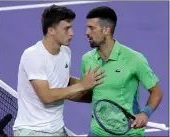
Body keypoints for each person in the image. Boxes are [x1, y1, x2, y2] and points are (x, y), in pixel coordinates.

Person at [13, 4, 105, 136]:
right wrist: (82, 85)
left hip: (57, 129)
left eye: (71, 27)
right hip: (32, 131)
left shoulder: (65, 52)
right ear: (51, 30)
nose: (72, 33)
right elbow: (47, 96)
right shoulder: (33, 55)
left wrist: (96, 92)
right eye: (66, 29)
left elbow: (63, 83)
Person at [80, 6, 163, 136]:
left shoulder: (134, 59)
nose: (86, 32)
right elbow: (89, 93)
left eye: (91, 28)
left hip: (128, 132)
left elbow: (156, 92)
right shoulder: (87, 59)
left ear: (106, 30)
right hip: (97, 131)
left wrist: (145, 113)